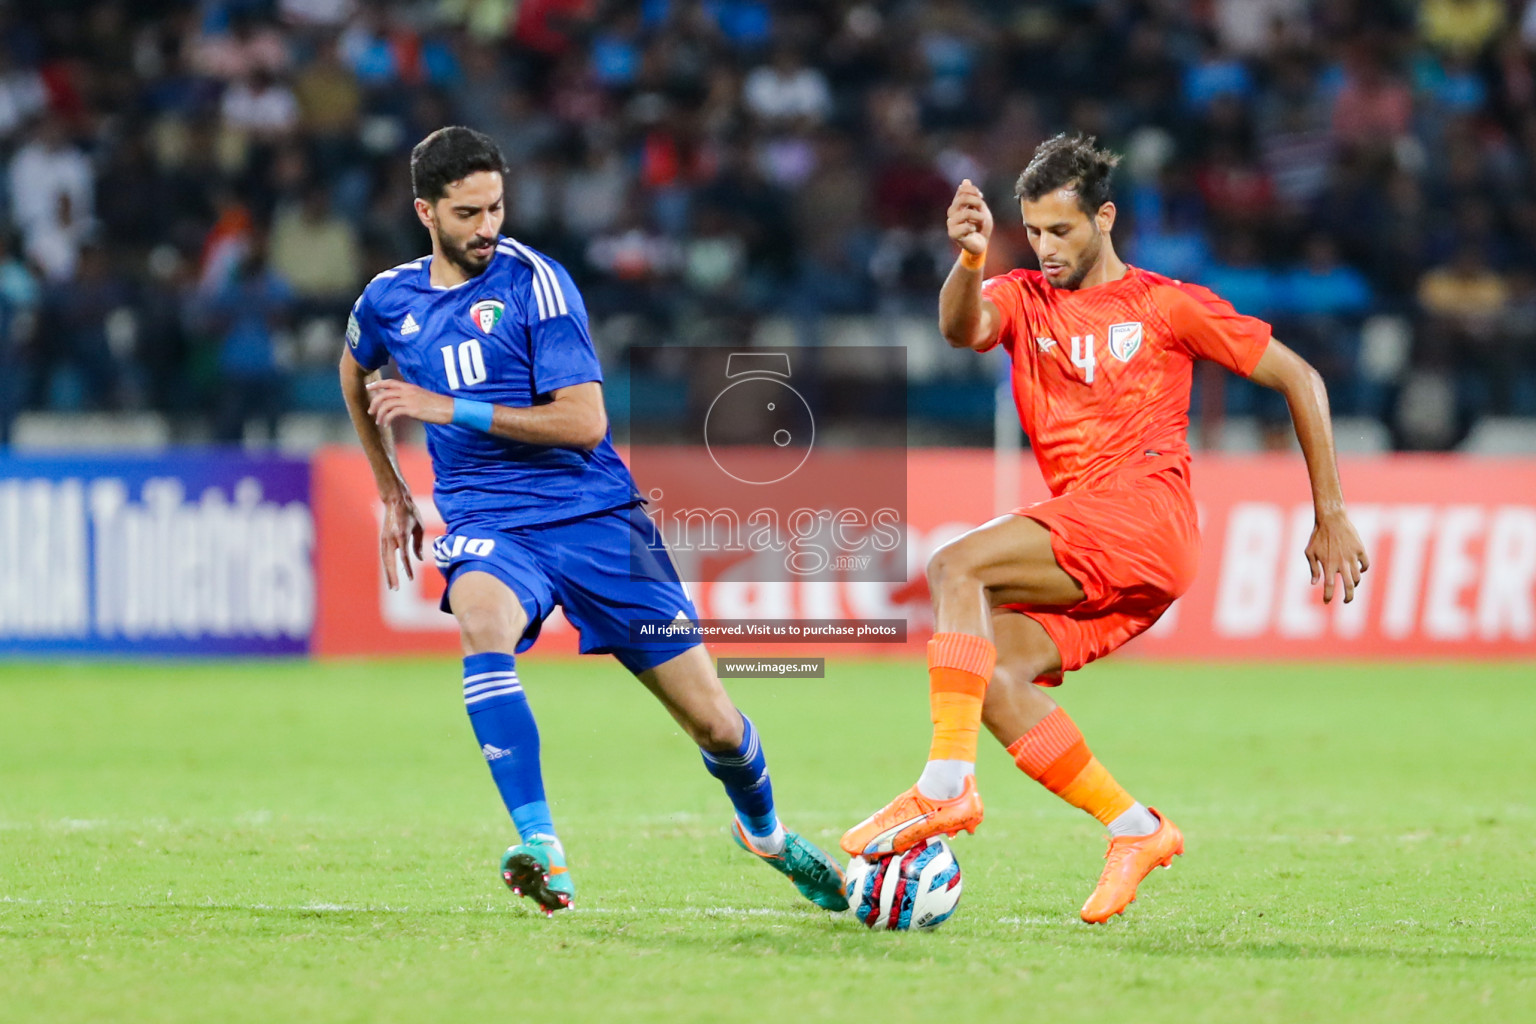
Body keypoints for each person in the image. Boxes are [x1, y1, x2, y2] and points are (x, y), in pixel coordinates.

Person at [841, 134, 1369, 923]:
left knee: (956, 568)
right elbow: (961, 329)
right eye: (1035, 232)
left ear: (1105, 218)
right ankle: (1136, 828)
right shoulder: (1023, 295)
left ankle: (944, 789)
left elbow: (1300, 374)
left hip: (1143, 517)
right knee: (996, 677)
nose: (1047, 249)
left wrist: (1330, 510)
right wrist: (972, 260)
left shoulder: (1166, 305)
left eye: (1062, 230)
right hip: (1110, 544)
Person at [338, 127, 846, 916]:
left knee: (715, 724)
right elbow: (354, 369)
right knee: (480, 618)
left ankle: (767, 835)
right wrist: (392, 488)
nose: (488, 227)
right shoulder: (388, 301)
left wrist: (447, 408)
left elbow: (583, 422)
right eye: (468, 212)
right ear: (424, 213)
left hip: (596, 519)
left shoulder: (537, 284)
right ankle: (542, 845)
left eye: (496, 207)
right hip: (490, 519)